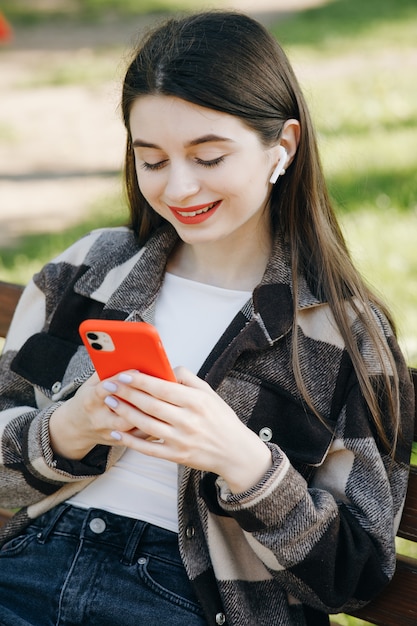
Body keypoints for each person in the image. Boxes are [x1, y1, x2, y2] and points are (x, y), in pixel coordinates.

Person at [0, 10, 414, 626]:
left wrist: (242, 461)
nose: (179, 188)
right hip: (32, 565)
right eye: (154, 160)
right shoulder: (88, 270)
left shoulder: (343, 335)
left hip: (196, 602)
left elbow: (353, 579)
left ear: (284, 147)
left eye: (209, 157)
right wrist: (69, 430)